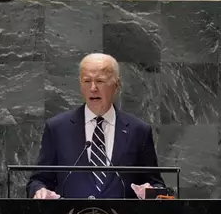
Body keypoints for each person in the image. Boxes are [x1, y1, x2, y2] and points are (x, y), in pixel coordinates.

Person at [26, 53, 165, 199]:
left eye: (100, 81)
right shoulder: (57, 128)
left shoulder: (138, 131)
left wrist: (151, 192)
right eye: (87, 81)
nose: (93, 88)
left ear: (116, 85)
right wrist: (39, 191)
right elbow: (39, 179)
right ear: (80, 84)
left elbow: (156, 184)